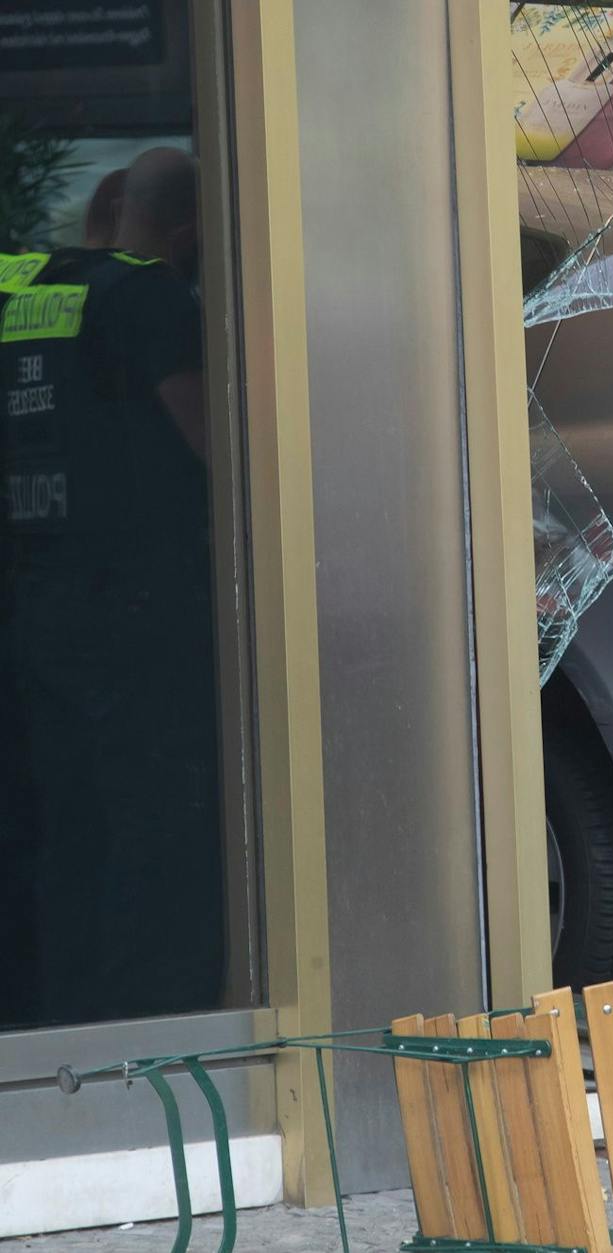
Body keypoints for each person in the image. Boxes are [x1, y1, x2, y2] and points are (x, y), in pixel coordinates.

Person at [2, 146, 218, 1028]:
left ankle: (59, 1001)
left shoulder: (25, 289)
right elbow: (216, 446)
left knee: (61, 815)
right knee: (146, 815)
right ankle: (136, 1016)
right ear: (190, 234)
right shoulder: (151, 296)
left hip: (34, 597)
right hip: (131, 606)